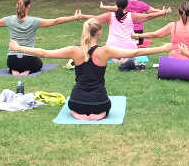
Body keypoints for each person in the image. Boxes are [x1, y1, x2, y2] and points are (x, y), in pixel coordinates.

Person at [9, 19, 172, 120]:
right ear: (99, 32)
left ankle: (80, 115)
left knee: (77, 109)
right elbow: (136, 52)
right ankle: (96, 116)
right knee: (101, 110)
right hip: (100, 103)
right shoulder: (105, 51)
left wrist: (18, 48)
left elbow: (44, 53)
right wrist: (162, 48)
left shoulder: (75, 51)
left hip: (76, 103)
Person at [0, 0, 86, 75]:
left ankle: (14, 71)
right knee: (39, 63)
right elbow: (55, 21)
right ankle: (27, 71)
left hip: (12, 61)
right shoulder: (34, 21)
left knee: (16, 65)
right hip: (29, 60)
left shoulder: (9, 20)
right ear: (29, 6)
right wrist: (74, 17)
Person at [86, 0, 169, 55]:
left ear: (117, 5)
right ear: (127, 5)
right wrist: (163, 12)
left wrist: (81, 16)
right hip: (129, 48)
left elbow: (95, 18)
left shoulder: (110, 15)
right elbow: (148, 16)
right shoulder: (131, 15)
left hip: (112, 48)